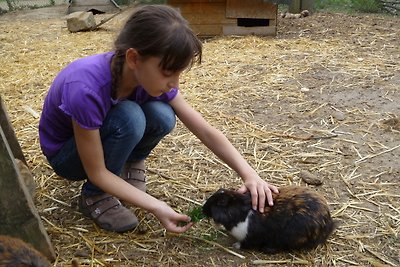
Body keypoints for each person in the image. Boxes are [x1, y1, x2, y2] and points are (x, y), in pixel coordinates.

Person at [39, 5, 278, 234]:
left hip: (100, 139)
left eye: (179, 73)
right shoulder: (85, 89)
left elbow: (204, 130)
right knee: (129, 118)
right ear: (134, 58)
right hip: (68, 155)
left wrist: (249, 174)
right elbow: (97, 171)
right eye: (168, 73)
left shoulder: (142, 75)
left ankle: (130, 161)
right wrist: (156, 206)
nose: (174, 84)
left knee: (163, 115)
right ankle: (95, 196)